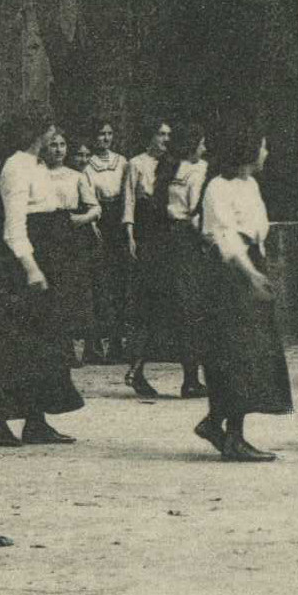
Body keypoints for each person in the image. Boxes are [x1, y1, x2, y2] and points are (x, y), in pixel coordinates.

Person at [0, 115, 85, 446]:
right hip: (21, 265)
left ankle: (36, 420)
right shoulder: (16, 167)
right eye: (49, 129)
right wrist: (31, 268)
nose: (54, 134)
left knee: (43, 344)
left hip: (48, 254)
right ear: (36, 132)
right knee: (10, 345)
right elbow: (13, 227)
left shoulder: (37, 164)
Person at [194, 121, 291, 462]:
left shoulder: (250, 185)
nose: (266, 152)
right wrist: (250, 274)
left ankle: (216, 422)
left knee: (252, 353)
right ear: (247, 149)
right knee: (235, 352)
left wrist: (261, 266)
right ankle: (232, 436)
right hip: (230, 275)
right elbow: (224, 238)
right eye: (262, 146)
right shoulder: (217, 188)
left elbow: (256, 232)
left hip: (250, 266)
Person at [134, 123, 209, 399]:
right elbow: (195, 212)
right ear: (192, 146)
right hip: (186, 240)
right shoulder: (197, 171)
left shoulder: (166, 168)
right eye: (201, 143)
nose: (205, 148)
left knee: (159, 306)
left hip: (162, 239)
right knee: (190, 309)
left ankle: (138, 366)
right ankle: (190, 380)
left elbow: (157, 205)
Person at [41, 127, 102, 364]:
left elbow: (95, 207)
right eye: (53, 145)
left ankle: (79, 348)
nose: (58, 150)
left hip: (70, 235)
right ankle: (57, 350)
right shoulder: (37, 173)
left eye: (62, 145)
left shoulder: (75, 176)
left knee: (72, 291)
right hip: (46, 233)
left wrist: (81, 219)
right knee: (51, 291)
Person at [80, 117, 132, 366]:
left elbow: (128, 193)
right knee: (102, 282)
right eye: (101, 134)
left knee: (120, 281)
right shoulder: (87, 167)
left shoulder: (121, 162)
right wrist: (92, 224)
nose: (106, 139)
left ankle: (117, 344)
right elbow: (89, 198)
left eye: (109, 134)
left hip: (118, 220)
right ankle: (96, 344)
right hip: (99, 222)